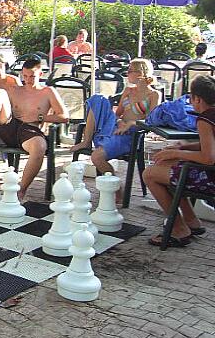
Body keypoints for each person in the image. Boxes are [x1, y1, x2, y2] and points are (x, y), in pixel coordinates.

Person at [70, 58, 162, 203]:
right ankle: (86, 141)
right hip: (116, 128)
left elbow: (152, 121)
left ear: (140, 73)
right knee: (98, 99)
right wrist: (119, 122)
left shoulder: (153, 95)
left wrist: (131, 123)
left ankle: (118, 189)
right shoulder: (128, 91)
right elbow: (118, 113)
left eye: (129, 70)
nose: (127, 73)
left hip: (131, 135)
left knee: (96, 157)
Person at [0, 58, 69, 200]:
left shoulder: (48, 91)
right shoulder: (15, 90)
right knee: (0, 93)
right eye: (25, 76)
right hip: (10, 127)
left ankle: (21, 190)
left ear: (40, 74)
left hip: (30, 131)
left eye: (32, 76)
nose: (28, 80)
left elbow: (64, 116)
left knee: (40, 146)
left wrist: (39, 117)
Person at [144, 75, 215, 247]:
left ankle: (178, 229)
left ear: (197, 99)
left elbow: (209, 157)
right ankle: (191, 221)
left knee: (150, 174)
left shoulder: (205, 119)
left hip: (211, 178)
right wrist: (183, 148)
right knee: (166, 166)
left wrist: (177, 153)